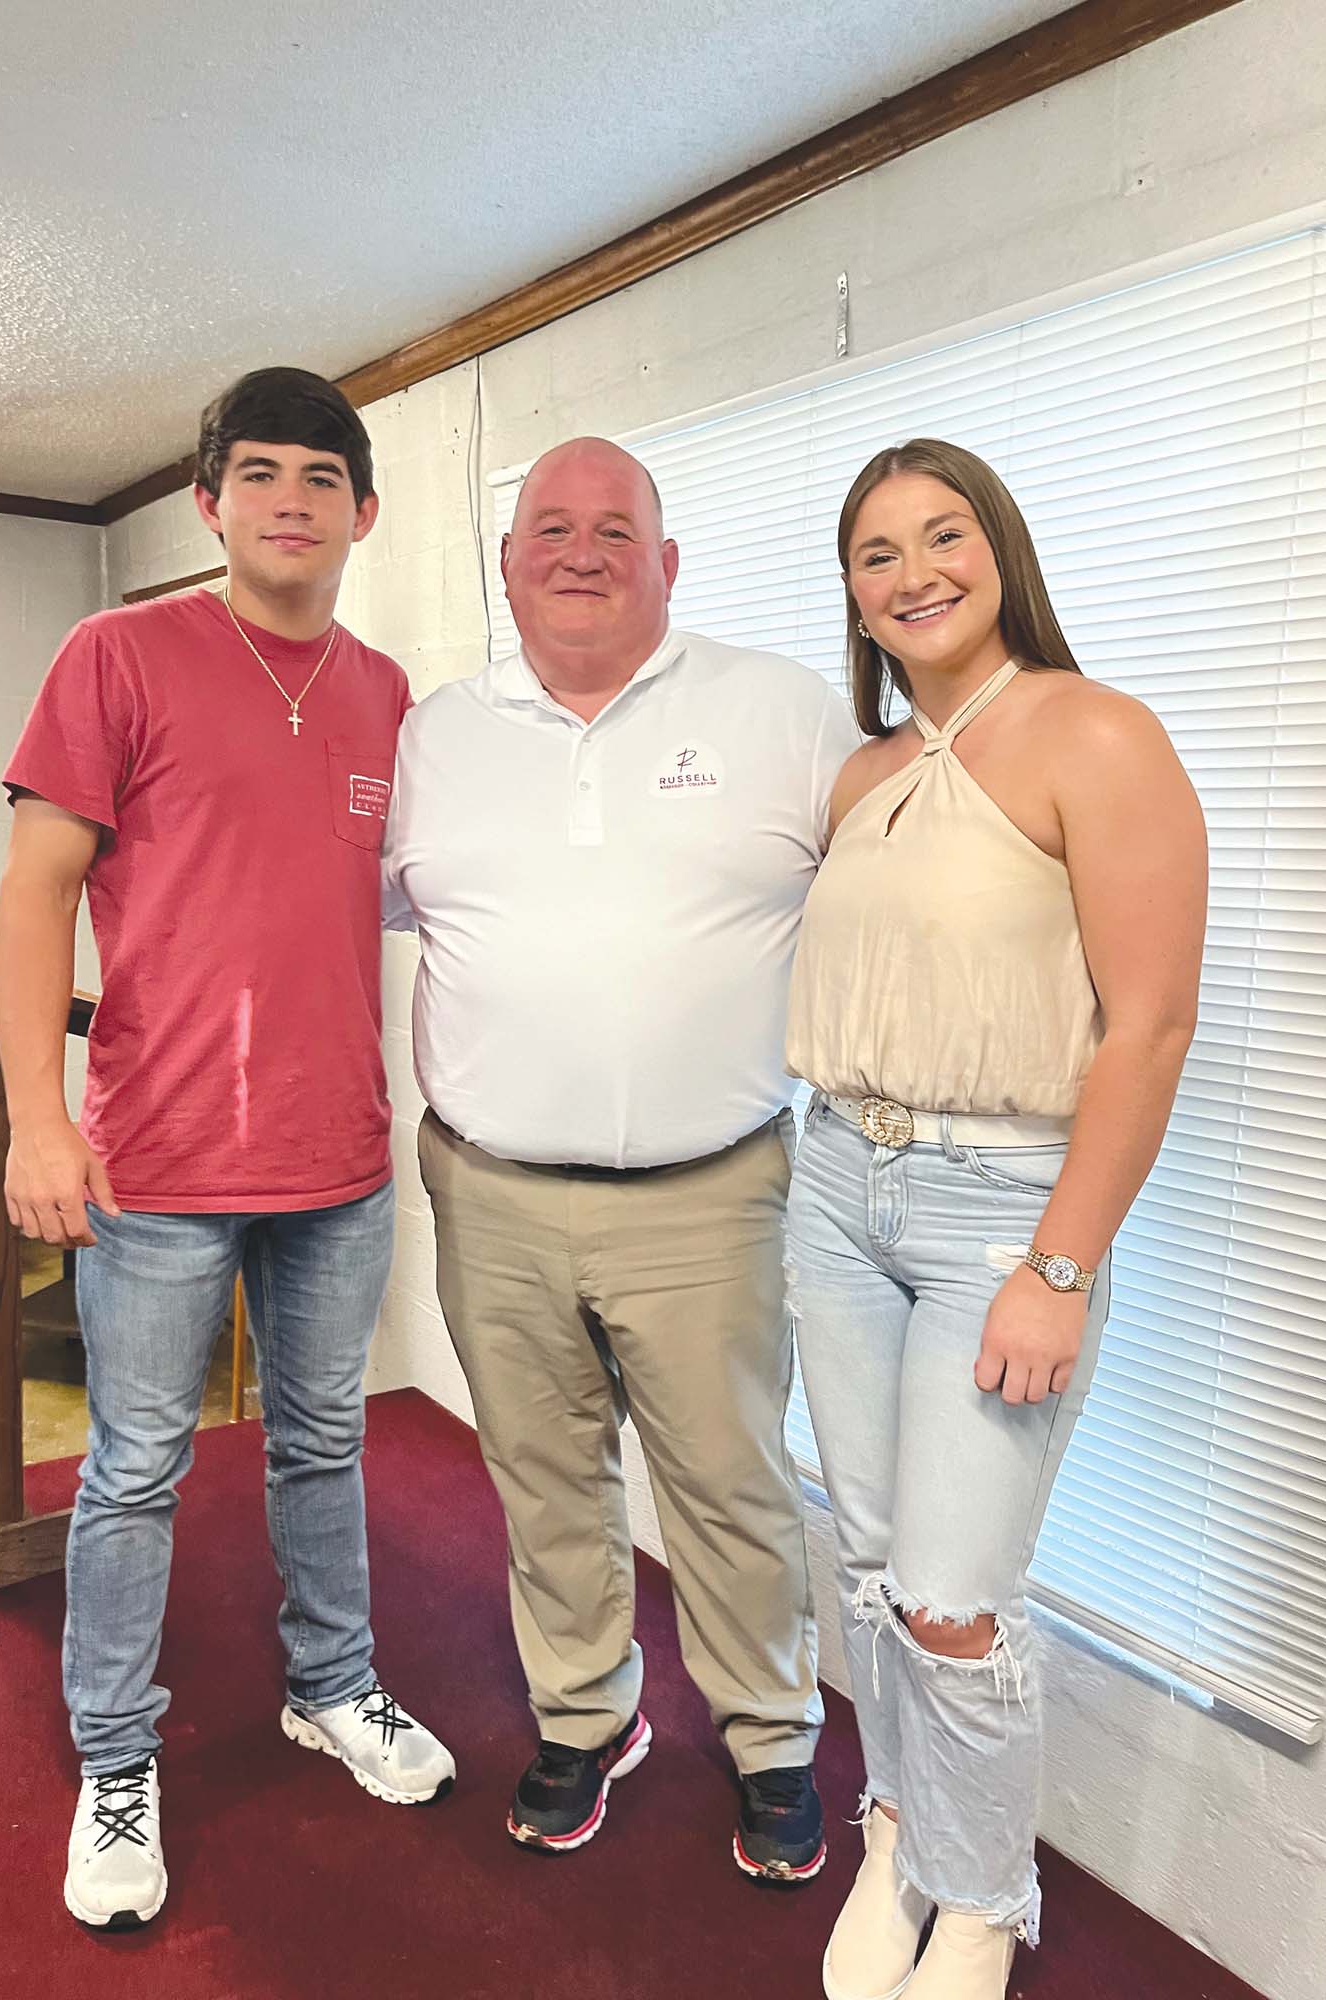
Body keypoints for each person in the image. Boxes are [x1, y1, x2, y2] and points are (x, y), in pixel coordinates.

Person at [0, 366, 455, 1934]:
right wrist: (37, 1119)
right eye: (259, 473)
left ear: (363, 513)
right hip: (158, 1161)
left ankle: (332, 1684)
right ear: (209, 503)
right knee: (136, 1468)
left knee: (325, 1443)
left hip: (338, 1157)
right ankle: (116, 1756)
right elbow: (33, 894)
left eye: (321, 479)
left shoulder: (387, 695)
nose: (289, 502)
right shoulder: (118, 655)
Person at [382, 435, 858, 1881]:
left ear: (668, 562)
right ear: (506, 562)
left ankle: (772, 1739)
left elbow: (901, 883)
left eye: (613, 529)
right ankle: (586, 1716)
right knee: (545, 1478)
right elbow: (379, 913)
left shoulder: (782, 710)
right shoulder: (434, 736)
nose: (579, 553)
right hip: (493, 1193)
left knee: (730, 1485)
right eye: (549, 529)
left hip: (709, 1197)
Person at [785, 439, 1206, 1999]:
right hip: (838, 1183)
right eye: (877, 553)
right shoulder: (863, 777)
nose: (915, 574)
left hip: (1001, 1211)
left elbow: (1148, 1028)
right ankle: (899, 1833)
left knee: (952, 1597)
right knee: (873, 1563)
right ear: (853, 595)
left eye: (943, 535)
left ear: (1000, 549)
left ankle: (979, 1900)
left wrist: (1061, 1266)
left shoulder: (1095, 733)